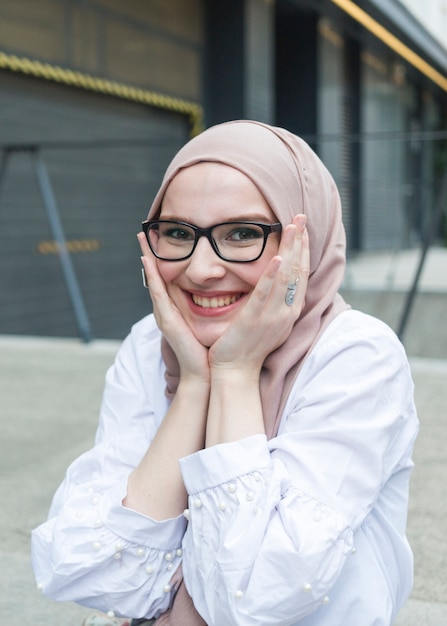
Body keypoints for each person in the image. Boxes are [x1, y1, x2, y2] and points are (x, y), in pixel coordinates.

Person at [31, 120, 419, 626]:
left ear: (306, 241)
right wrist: (194, 383)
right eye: (177, 233)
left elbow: (250, 598)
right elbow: (89, 571)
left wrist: (234, 372)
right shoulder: (153, 345)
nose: (201, 269)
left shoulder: (357, 357)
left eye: (242, 234)